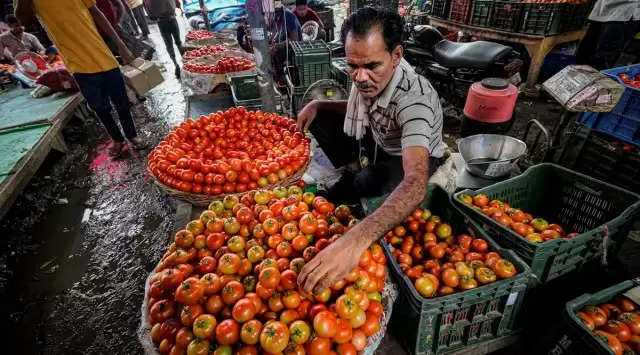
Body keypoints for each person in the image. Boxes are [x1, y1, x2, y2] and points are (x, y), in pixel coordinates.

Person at [295, 8, 444, 293]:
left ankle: (358, 176)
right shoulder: (368, 83)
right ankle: (353, 167)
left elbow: (415, 183)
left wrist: (355, 240)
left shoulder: (415, 102)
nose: (360, 78)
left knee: (365, 182)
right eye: (353, 66)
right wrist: (318, 105)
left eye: (372, 66)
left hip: (409, 154)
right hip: (380, 136)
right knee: (320, 118)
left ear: (397, 56)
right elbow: (348, 107)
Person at [14, 0, 147, 156]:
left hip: (104, 56)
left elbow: (97, 13)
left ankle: (132, 135)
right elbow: (23, 20)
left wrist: (121, 45)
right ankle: (117, 139)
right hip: (77, 64)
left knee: (122, 102)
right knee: (99, 108)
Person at [576, 0, 640, 69]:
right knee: (584, 52)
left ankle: (596, 77)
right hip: (604, 9)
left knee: (602, 58)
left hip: (623, 13)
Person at [147, 0, 184, 78]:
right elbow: (177, 3)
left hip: (161, 22)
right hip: (172, 19)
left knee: (169, 44)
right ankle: (186, 61)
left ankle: (175, 64)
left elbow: (151, 15)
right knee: (178, 42)